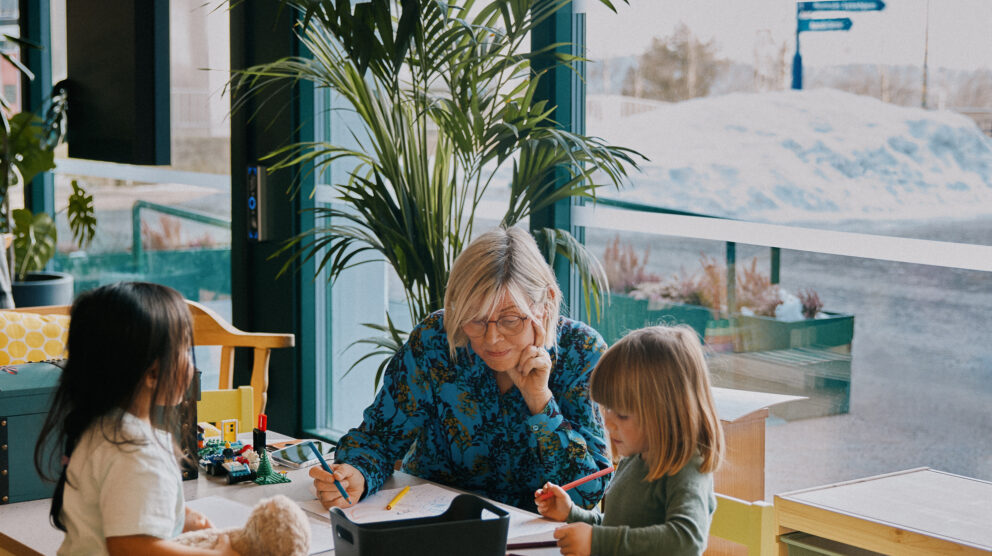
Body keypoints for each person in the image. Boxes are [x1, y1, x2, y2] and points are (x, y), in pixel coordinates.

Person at [311, 227, 611, 511]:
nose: (491, 339)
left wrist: (540, 401)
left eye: (510, 320)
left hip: (533, 536)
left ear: (546, 303)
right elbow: (377, 437)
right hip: (426, 520)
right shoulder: (435, 340)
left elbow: (586, 493)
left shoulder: (580, 352)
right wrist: (356, 474)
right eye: (476, 319)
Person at [34, 282, 238, 556]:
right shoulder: (137, 452)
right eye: (185, 350)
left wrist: (181, 517)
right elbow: (131, 547)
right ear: (153, 373)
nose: (192, 364)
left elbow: (122, 507)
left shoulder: (100, 429)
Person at [534, 325, 725, 556]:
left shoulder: (685, 465)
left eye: (622, 415)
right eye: (608, 409)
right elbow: (625, 525)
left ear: (665, 412)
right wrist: (573, 514)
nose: (609, 423)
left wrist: (598, 541)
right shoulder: (634, 458)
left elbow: (687, 539)